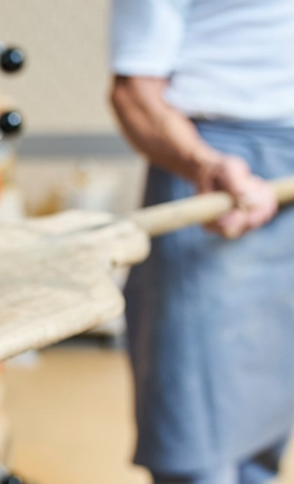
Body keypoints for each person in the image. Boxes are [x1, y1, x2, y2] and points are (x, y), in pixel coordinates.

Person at [109, 0, 294, 482]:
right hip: (218, 167)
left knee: (264, 431)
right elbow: (134, 92)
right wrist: (205, 165)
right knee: (196, 446)